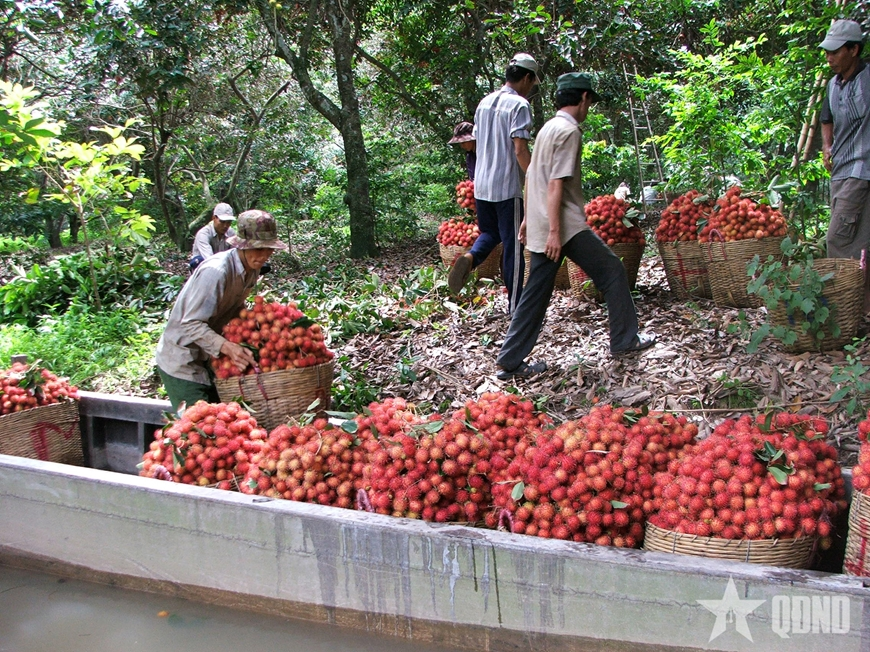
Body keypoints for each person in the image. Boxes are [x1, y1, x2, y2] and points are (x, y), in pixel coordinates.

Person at [495, 73, 656, 381]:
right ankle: (625, 340)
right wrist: (555, 231)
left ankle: (510, 359)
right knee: (612, 271)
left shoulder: (547, 128)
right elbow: (554, 184)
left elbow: (532, 177)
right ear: (583, 99)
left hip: (545, 221)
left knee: (536, 292)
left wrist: (531, 219)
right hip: (564, 226)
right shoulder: (569, 131)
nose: (589, 106)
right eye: (590, 101)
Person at [156, 210, 288, 411]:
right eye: (257, 248)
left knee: (227, 420)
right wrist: (228, 347)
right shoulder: (216, 272)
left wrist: (258, 331)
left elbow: (235, 308)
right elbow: (190, 323)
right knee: (197, 429)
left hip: (209, 356)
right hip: (182, 358)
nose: (264, 255)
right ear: (241, 246)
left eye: (268, 249)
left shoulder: (251, 270)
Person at [448, 53, 539, 314]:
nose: (531, 88)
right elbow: (520, 149)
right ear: (526, 77)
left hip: (483, 186)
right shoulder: (519, 105)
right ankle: (516, 308)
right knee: (514, 247)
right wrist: (535, 179)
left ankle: (470, 257)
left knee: (490, 233)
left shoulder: (484, 103)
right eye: (531, 83)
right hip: (507, 187)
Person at [820, 20, 870, 270]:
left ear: (853, 50)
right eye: (827, 52)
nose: (829, 58)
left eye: (835, 51)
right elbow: (826, 118)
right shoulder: (832, 85)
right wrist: (827, 147)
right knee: (859, 243)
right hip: (840, 170)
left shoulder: (868, 80)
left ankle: (842, 302)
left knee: (838, 239)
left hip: (861, 171)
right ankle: (861, 306)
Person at [189, 202, 237, 271]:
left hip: (225, 268)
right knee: (199, 260)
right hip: (205, 269)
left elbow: (235, 255)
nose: (225, 226)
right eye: (222, 222)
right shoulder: (204, 234)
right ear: (214, 218)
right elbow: (210, 259)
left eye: (228, 222)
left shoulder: (231, 233)